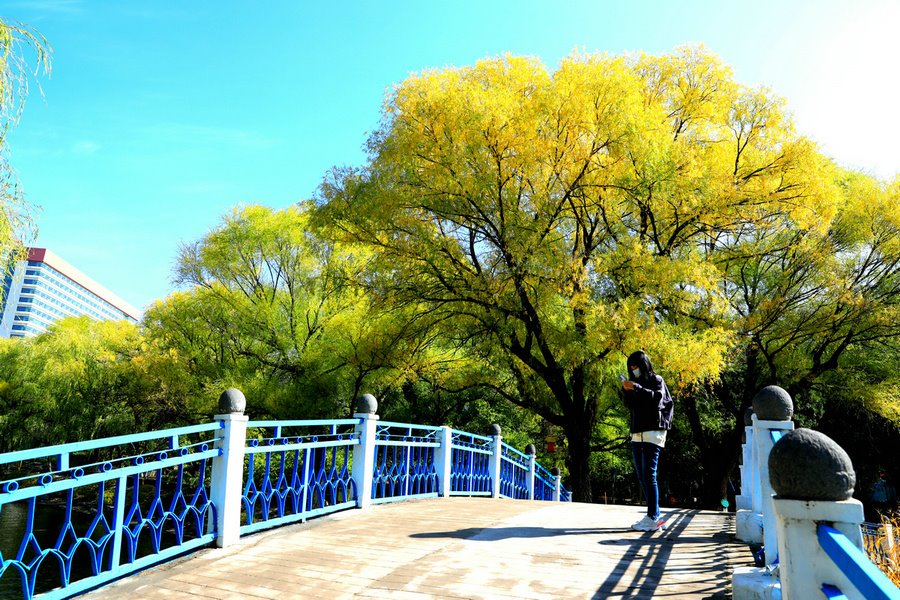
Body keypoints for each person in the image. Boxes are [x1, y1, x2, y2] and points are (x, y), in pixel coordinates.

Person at [621, 350, 674, 532]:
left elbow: (657, 399)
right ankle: (655, 516)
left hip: (653, 433)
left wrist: (636, 388)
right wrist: (626, 391)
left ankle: (653, 517)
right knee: (642, 476)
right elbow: (629, 405)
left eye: (636, 366)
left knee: (649, 475)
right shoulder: (635, 383)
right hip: (637, 433)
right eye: (631, 367)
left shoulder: (656, 380)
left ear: (643, 365)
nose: (633, 369)